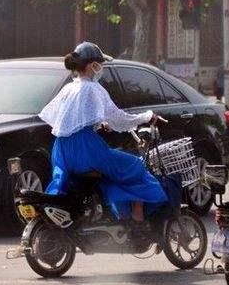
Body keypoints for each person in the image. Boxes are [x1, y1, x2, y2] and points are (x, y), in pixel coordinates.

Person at [39, 41, 168, 234]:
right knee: (135, 166)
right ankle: (137, 218)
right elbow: (119, 118)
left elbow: (72, 119)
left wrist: (99, 123)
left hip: (62, 151)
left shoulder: (68, 89)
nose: (101, 69)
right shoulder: (93, 89)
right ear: (93, 66)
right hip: (86, 150)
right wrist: (147, 116)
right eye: (100, 64)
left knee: (110, 171)